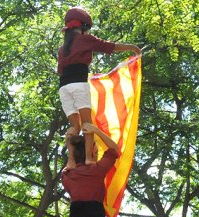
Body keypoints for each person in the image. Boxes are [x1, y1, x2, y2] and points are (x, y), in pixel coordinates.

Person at [57, 6, 140, 165]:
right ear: (83, 27)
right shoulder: (84, 39)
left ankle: (71, 161)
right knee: (87, 124)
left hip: (63, 87)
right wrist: (132, 48)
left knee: (74, 127)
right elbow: (110, 47)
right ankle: (88, 158)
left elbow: (60, 70)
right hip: (78, 84)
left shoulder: (62, 49)